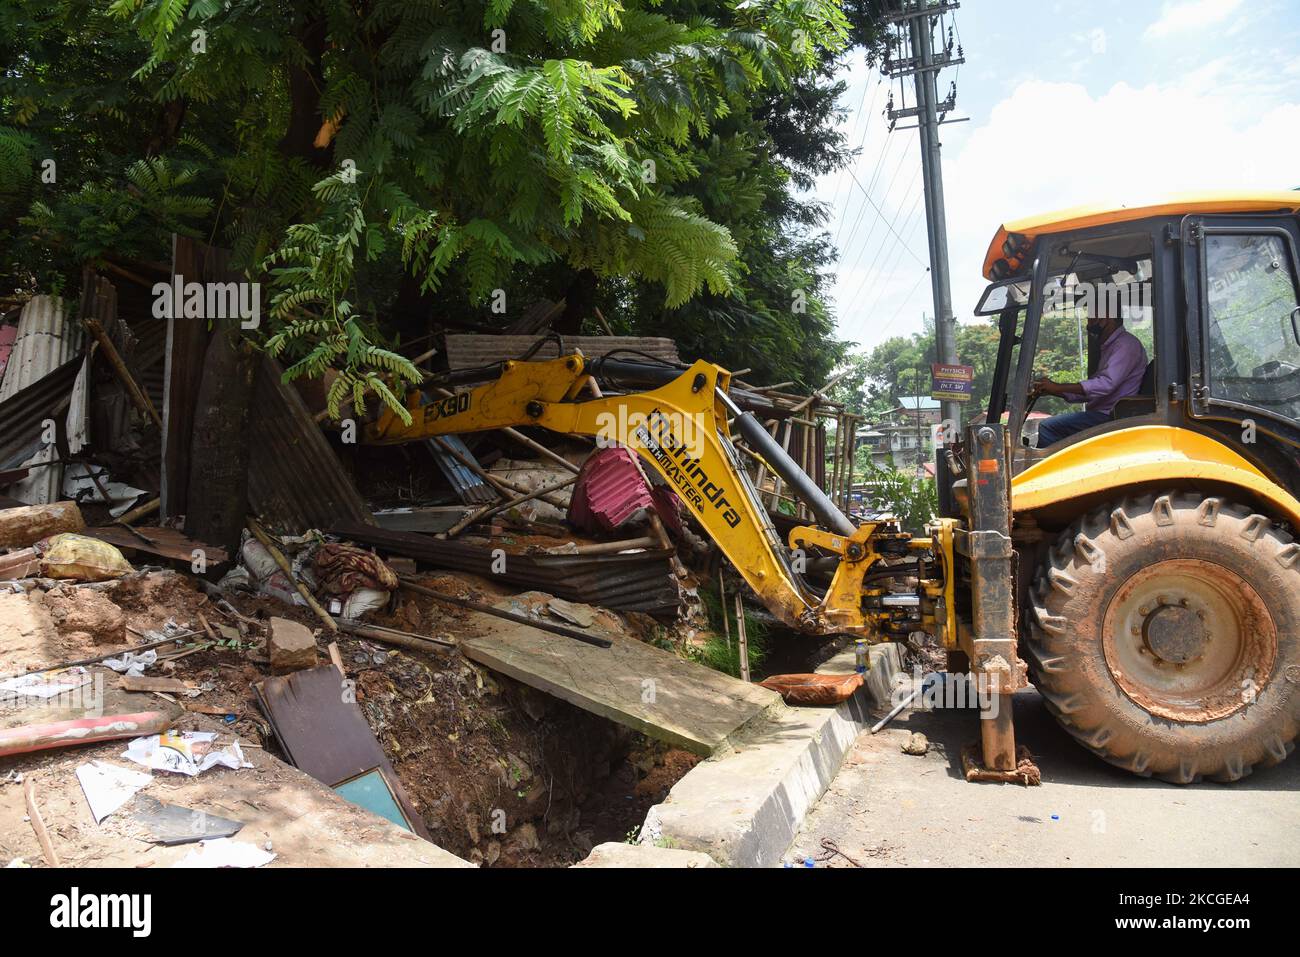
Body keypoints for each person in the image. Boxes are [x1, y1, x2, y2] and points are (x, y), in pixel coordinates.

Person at [1033, 297, 1148, 448]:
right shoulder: (1111, 347)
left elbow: (1105, 384)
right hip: (1103, 413)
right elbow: (1091, 390)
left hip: (1111, 417)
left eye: (1092, 317)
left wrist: (1058, 387)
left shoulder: (1125, 345)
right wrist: (1051, 390)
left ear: (1106, 316)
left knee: (1048, 427)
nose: (1089, 322)